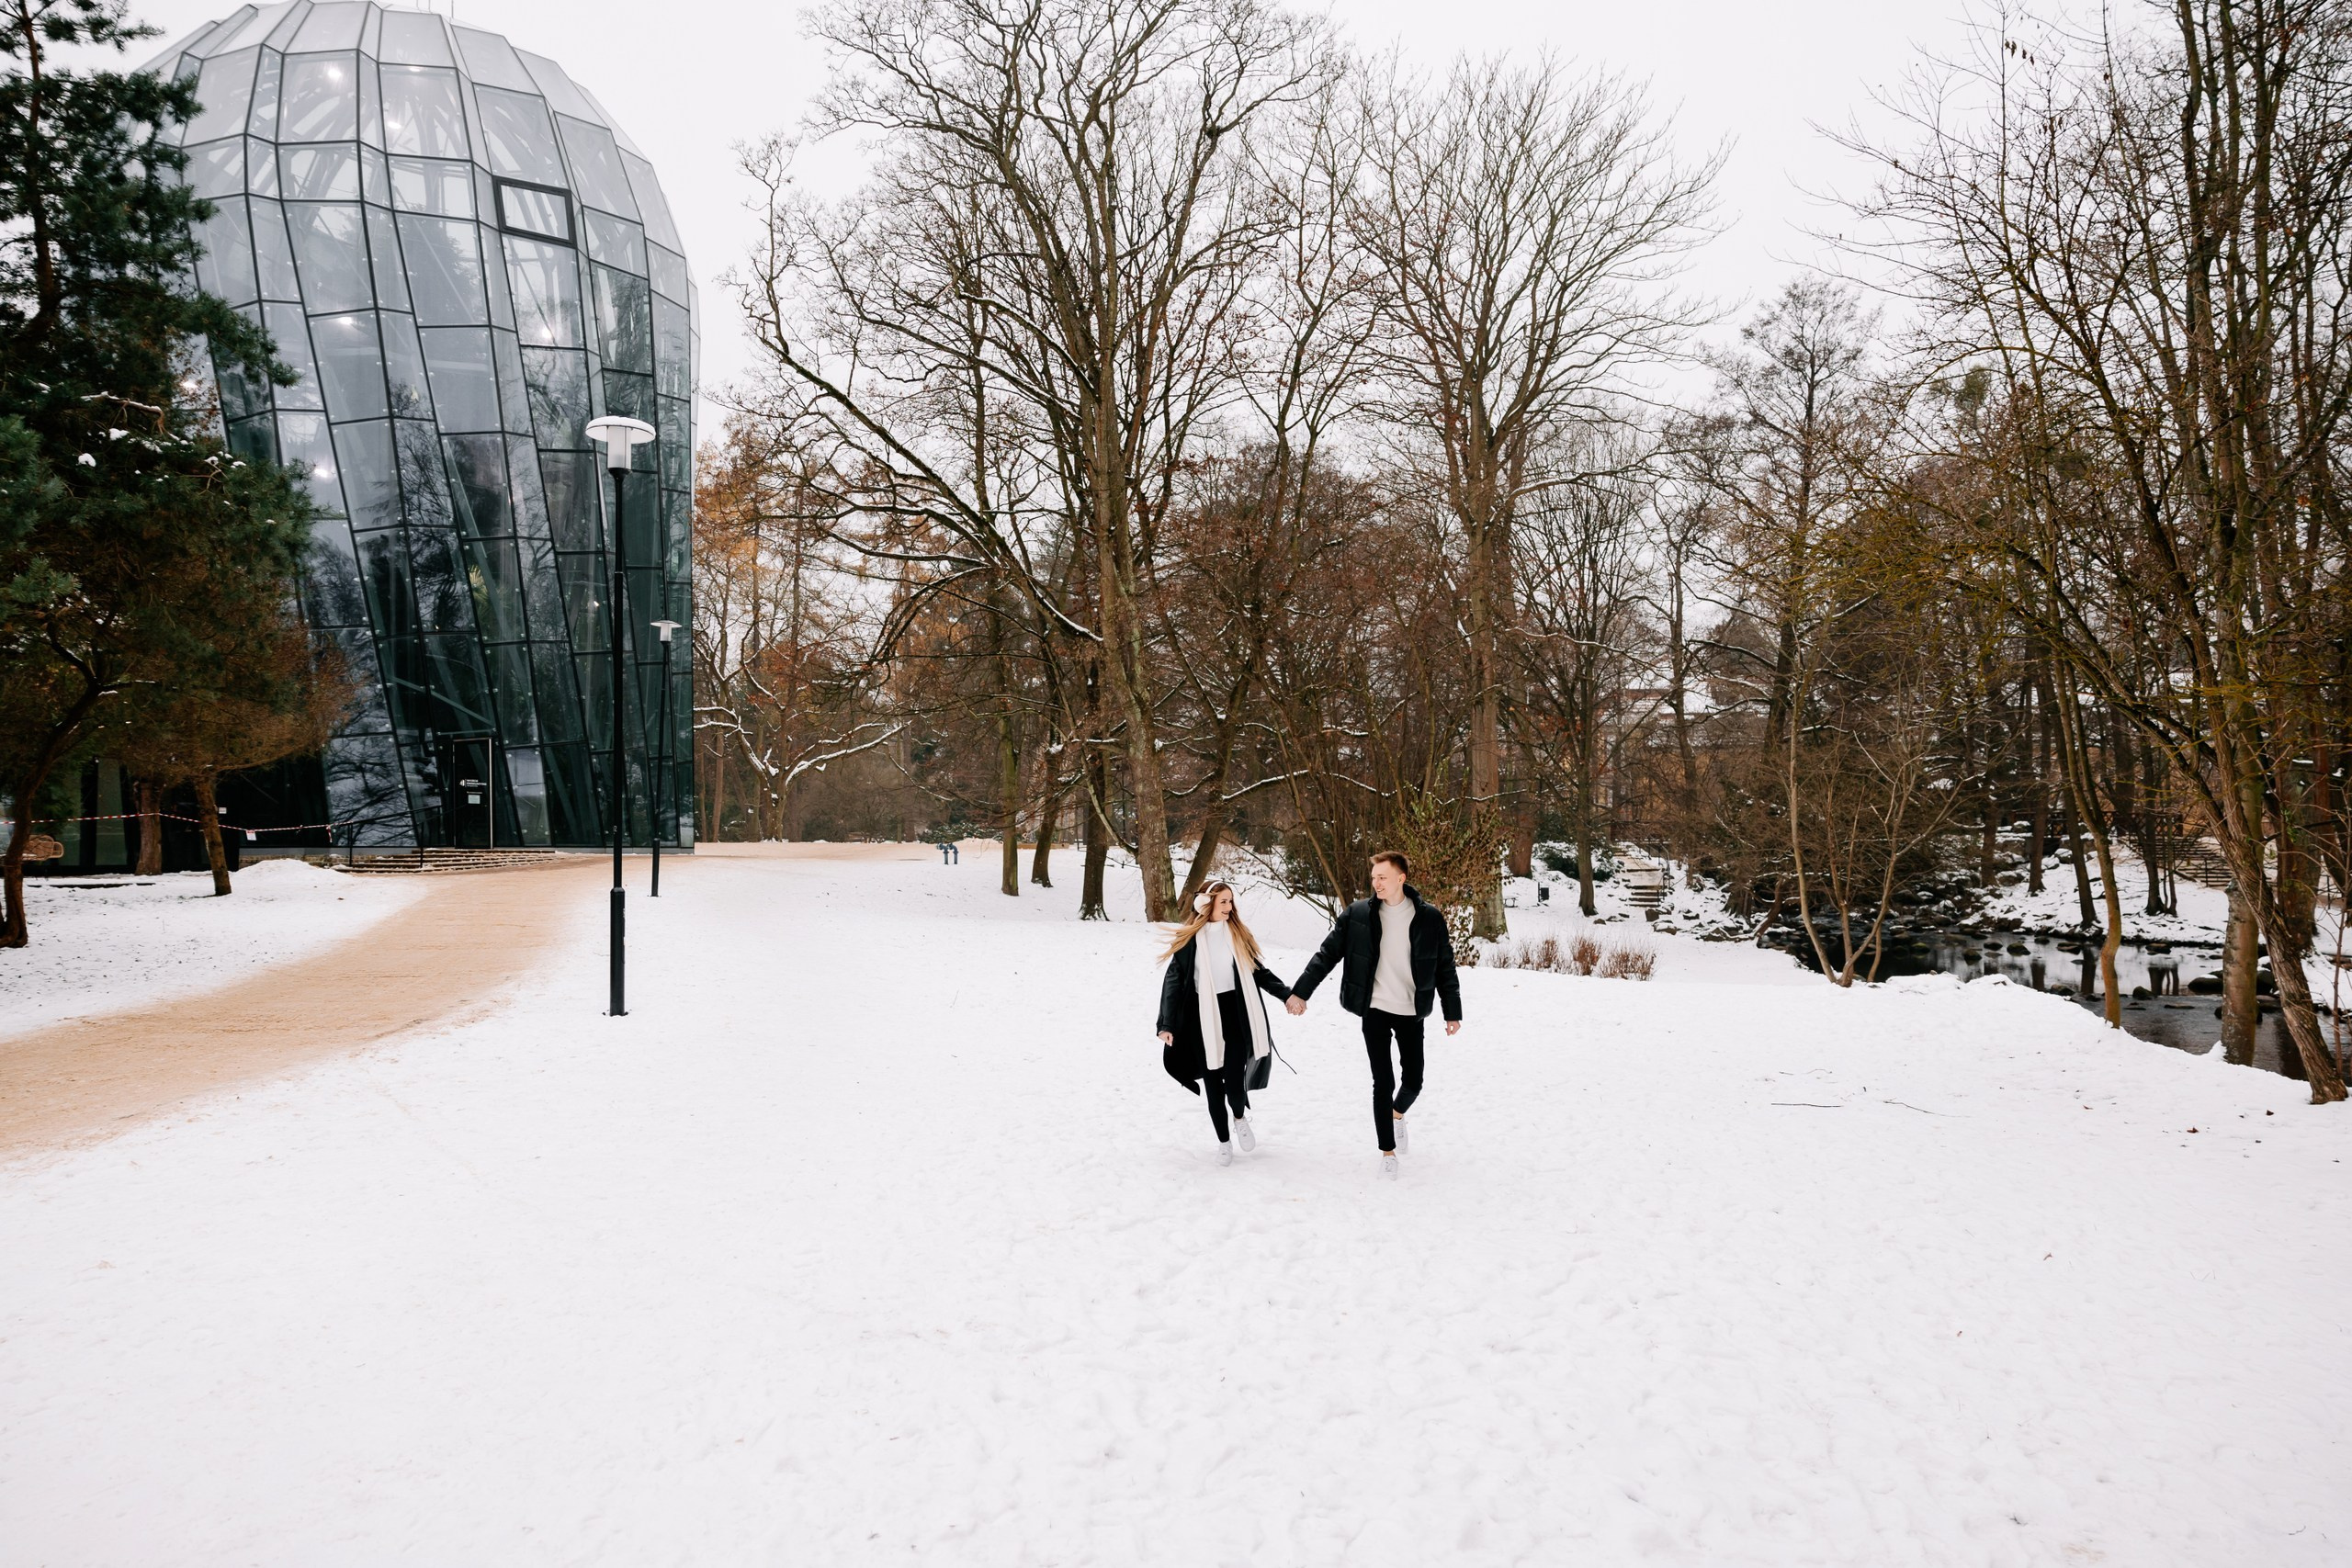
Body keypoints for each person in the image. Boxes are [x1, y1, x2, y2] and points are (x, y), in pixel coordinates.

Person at [1288, 850, 1463, 1179]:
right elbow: (1327, 954)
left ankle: (1397, 1114)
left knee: (1414, 1081)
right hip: (1376, 1009)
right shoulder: (1358, 914)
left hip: (1411, 1010)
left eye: (1382, 877)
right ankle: (1387, 1151)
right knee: (1382, 1081)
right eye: (1373, 878)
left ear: (1401, 878)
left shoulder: (1429, 918)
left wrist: (1451, 1011)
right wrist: (1300, 991)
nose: (1376, 883)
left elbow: (1444, 966)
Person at [1156, 881, 1297, 1166]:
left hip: (1235, 1013)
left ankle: (1240, 1116)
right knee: (1212, 1084)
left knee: (1234, 1082)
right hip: (1200, 1019)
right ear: (1205, 905)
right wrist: (1166, 1024)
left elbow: (1260, 973)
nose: (1229, 907)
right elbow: (1172, 983)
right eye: (1223, 902)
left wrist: (1287, 995)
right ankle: (1223, 1141)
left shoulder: (1237, 936)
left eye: (1230, 901)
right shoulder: (1189, 941)